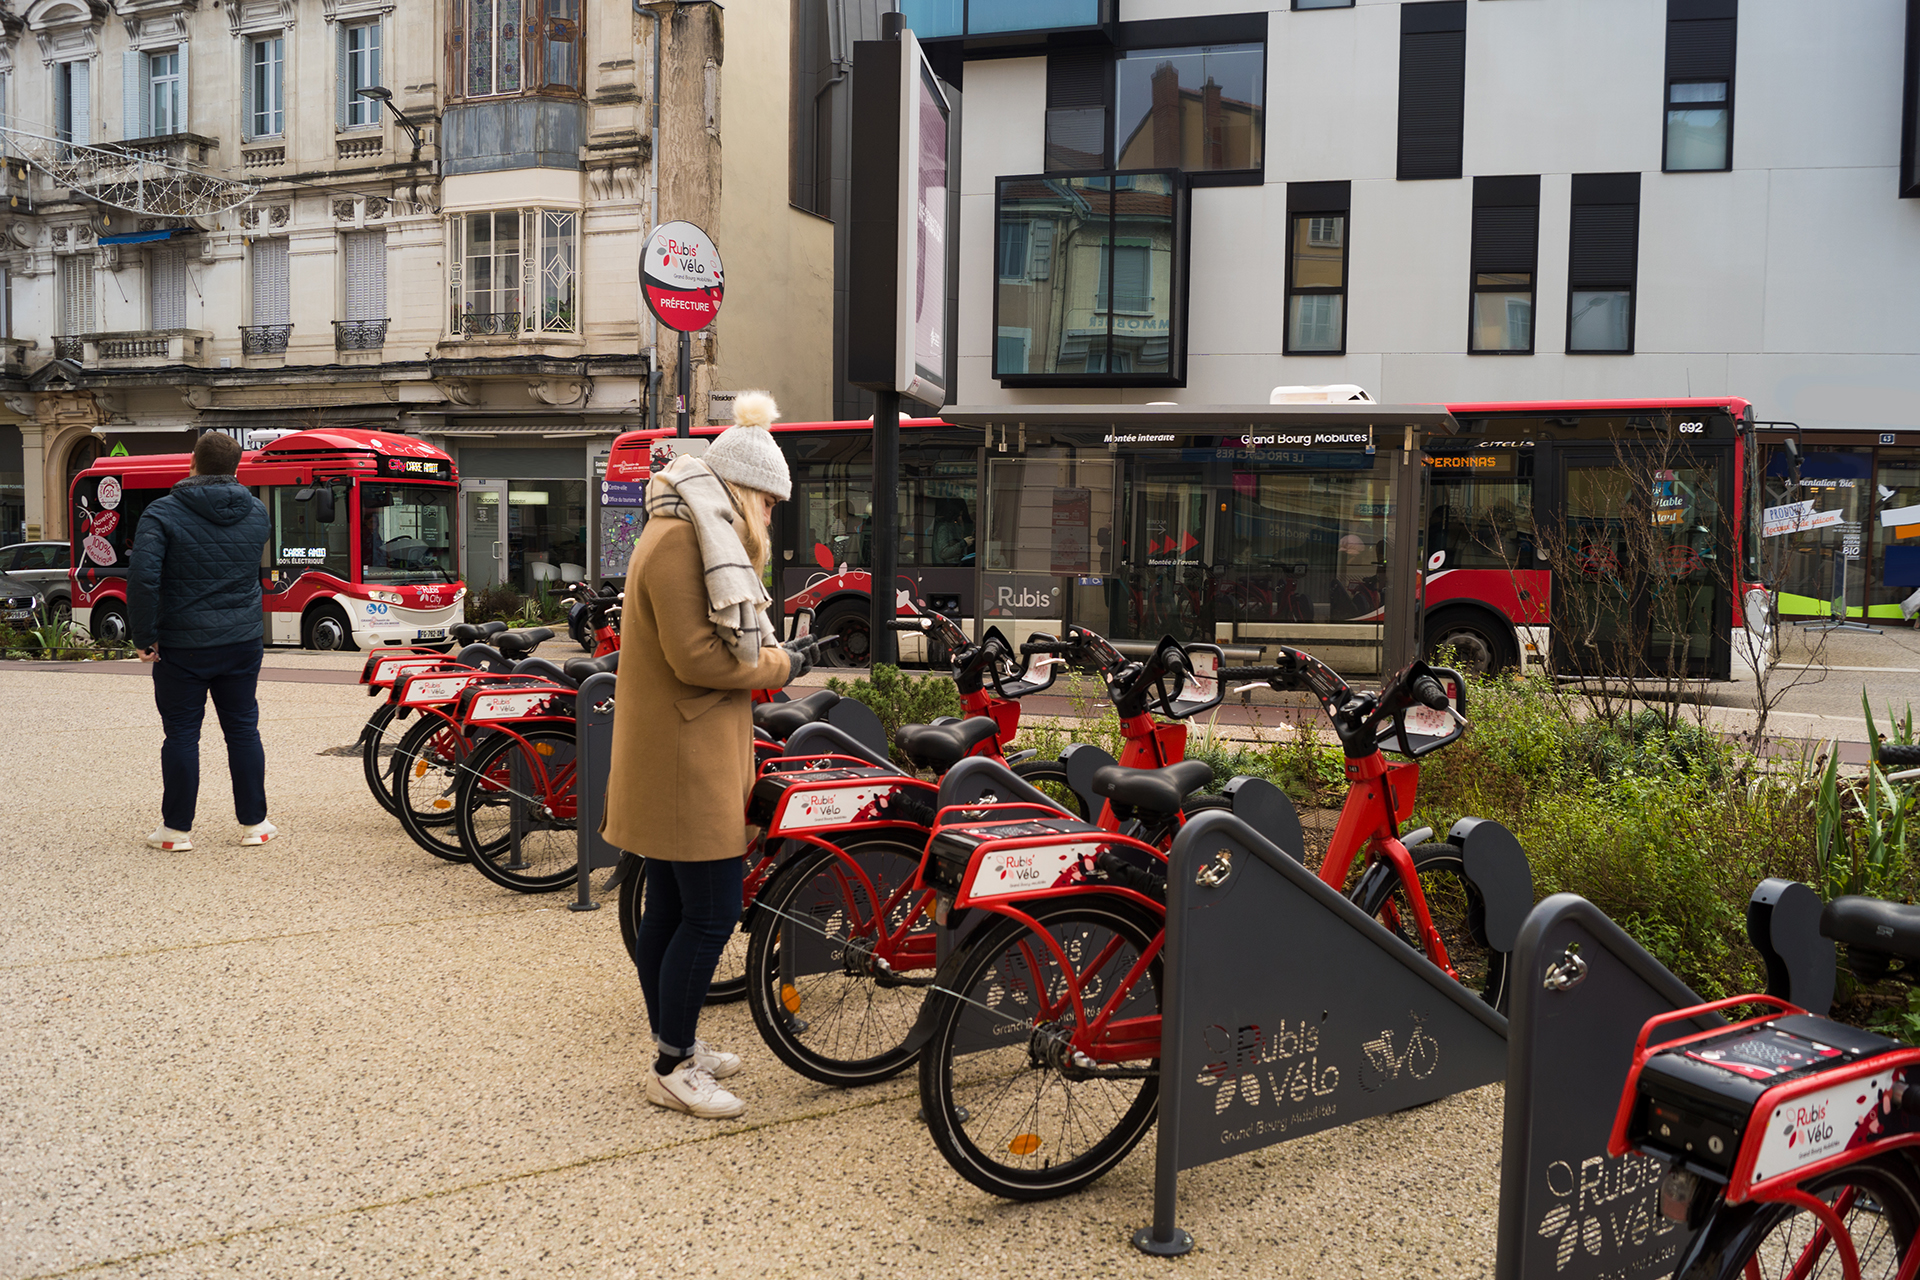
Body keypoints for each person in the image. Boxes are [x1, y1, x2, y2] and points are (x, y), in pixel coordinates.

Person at [601, 390, 820, 1119]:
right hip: (681, 759)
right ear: (746, 491)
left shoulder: (688, 528)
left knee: (670, 906)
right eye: (770, 502)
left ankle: (678, 1041)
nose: (770, 518)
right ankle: (673, 1064)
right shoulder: (681, 539)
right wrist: (782, 667)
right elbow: (698, 658)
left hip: (683, 748)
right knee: (710, 912)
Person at [128, 431, 275, 852]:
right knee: (244, 730)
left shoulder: (162, 512)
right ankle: (255, 825)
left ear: (192, 462)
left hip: (183, 644)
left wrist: (145, 637)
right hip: (243, 640)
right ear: (236, 467)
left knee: (181, 735)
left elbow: (143, 579)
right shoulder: (257, 512)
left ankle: (176, 831)